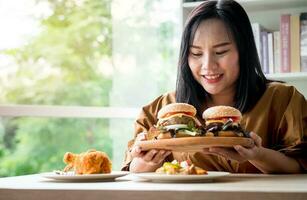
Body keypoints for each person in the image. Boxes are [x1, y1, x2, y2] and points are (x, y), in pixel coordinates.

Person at [122, 0, 307, 173]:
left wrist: (258, 155)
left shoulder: (283, 99)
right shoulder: (163, 108)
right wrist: (143, 163)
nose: (208, 65)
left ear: (244, 51)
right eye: (196, 53)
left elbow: (300, 166)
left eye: (221, 52)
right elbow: (133, 171)